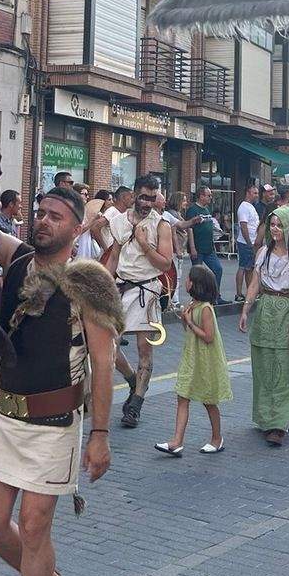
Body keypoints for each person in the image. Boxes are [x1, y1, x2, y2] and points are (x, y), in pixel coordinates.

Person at [0, 187, 122, 576]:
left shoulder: (89, 281)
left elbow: (103, 361)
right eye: (40, 213)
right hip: (6, 416)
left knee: (34, 528)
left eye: (55, 216)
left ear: (77, 229)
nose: (43, 220)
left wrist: (100, 435)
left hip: (55, 423)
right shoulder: (17, 259)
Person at [238, 205, 289, 446]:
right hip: (266, 311)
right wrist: (245, 309)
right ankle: (271, 416)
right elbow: (255, 283)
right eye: (272, 224)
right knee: (265, 365)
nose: (275, 229)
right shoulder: (263, 252)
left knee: (286, 365)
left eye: (280, 225)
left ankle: (278, 424)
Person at [110, 175, 168, 429]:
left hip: (147, 291)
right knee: (107, 346)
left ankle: (136, 404)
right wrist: (105, 282)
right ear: (134, 195)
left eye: (152, 198)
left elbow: (166, 264)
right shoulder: (119, 222)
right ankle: (133, 380)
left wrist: (145, 245)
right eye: (143, 197)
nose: (147, 203)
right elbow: (113, 255)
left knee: (145, 350)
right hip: (121, 289)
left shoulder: (161, 225)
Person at [156, 265, 232, 457]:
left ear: (196, 284)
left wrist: (189, 322)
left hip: (205, 360)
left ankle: (217, 439)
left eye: (188, 279)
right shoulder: (193, 305)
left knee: (209, 401)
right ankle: (176, 442)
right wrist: (185, 319)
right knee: (182, 396)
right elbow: (189, 331)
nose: (185, 282)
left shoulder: (205, 309)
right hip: (192, 358)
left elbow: (208, 337)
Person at [184, 186, 225, 304]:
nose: (210, 198)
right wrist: (192, 248)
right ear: (201, 196)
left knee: (218, 269)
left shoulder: (207, 210)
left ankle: (215, 296)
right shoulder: (193, 210)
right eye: (208, 195)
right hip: (198, 248)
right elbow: (190, 228)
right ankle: (196, 299)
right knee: (197, 275)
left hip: (209, 248)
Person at [234, 183, 261, 303]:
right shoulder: (244, 207)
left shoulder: (250, 206)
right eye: (254, 193)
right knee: (243, 266)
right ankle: (239, 293)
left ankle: (249, 291)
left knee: (249, 267)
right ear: (248, 193)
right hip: (246, 242)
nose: (257, 195)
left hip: (250, 241)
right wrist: (249, 243)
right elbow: (243, 226)